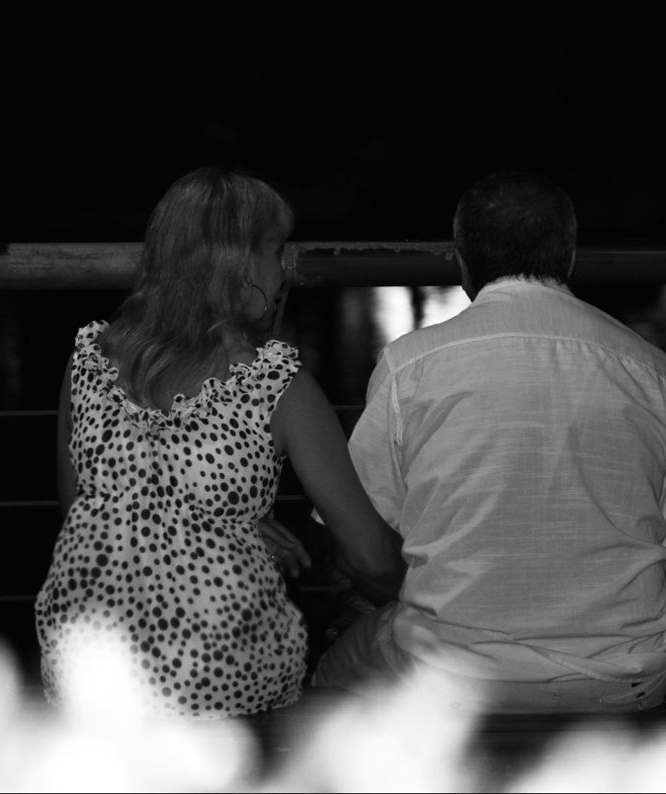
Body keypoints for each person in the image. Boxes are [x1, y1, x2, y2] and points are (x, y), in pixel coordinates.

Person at [312, 171, 666, 713]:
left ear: (462, 261)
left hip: (450, 674)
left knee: (329, 677)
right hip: (625, 675)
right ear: (567, 257)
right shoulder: (650, 367)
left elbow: (357, 543)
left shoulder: (412, 365)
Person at [34, 167, 404, 720]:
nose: (287, 273)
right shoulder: (276, 386)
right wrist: (440, 597)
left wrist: (207, 524)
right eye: (278, 252)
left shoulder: (85, 364)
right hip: (219, 688)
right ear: (237, 266)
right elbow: (370, 557)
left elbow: (87, 523)